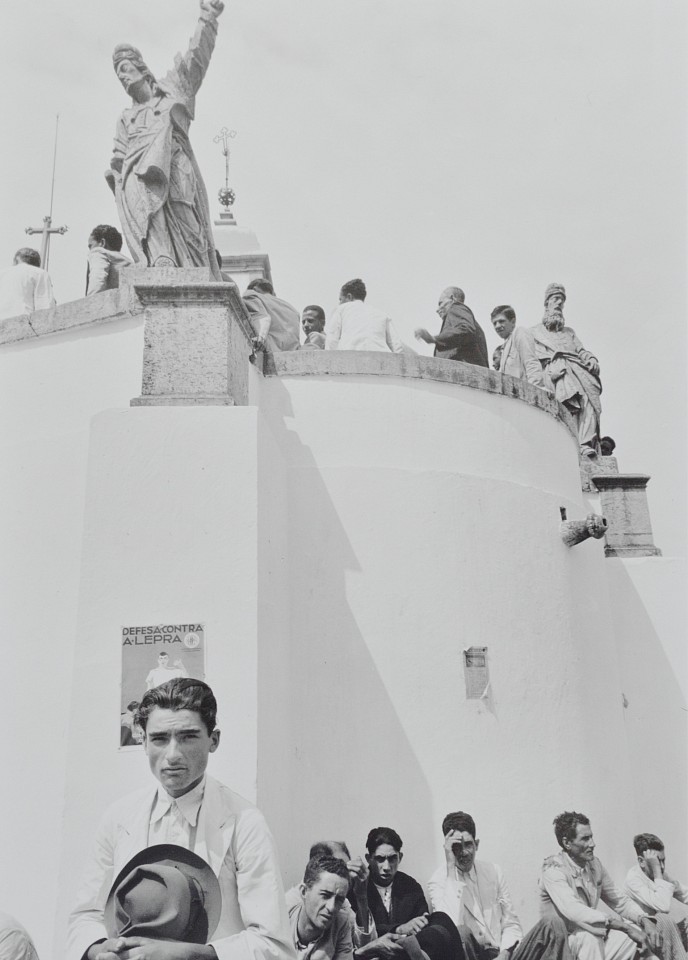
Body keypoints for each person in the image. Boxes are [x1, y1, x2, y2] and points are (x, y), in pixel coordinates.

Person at [67, 678, 292, 960]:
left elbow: (274, 946)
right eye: (160, 738)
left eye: (188, 737)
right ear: (144, 742)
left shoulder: (244, 823)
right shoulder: (119, 818)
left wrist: (190, 955)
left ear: (214, 740)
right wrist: (101, 949)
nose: (173, 755)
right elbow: (85, 916)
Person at [107, 1, 225, 278]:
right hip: (138, 174)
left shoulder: (173, 89)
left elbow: (196, 59)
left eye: (125, 67)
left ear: (142, 68)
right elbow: (119, 156)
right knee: (148, 216)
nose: (122, 76)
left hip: (174, 161)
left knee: (186, 214)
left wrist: (207, 18)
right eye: (118, 73)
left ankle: (197, 269)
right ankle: (161, 259)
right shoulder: (126, 117)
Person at [429, 811, 573, 960]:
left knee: (553, 923)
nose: (464, 852)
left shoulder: (493, 871)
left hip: (502, 954)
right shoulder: (439, 880)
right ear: (448, 849)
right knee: (461, 932)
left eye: (468, 845)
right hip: (471, 956)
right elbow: (449, 933)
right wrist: (451, 869)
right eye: (457, 847)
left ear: (476, 844)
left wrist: (504, 954)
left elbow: (511, 924)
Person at [539, 811, 659, 960]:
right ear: (567, 843)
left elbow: (619, 900)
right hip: (560, 947)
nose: (592, 844)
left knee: (636, 935)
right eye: (585, 839)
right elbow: (574, 910)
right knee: (591, 937)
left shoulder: (594, 865)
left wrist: (644, 919)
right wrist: (624, 927)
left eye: (591, 837)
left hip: (590, 944)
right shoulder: (553, 869)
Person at [529, 285, 602, 455]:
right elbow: (531, 362)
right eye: (555, 299)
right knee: (568, 399)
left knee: (589, 401)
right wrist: (548, 373)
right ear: (546, 303)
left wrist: (590, 359)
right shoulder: (534, 332)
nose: (559, 303)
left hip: (578, 370)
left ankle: (585, 444)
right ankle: (568, 443)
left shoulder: (570, 333)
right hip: (554, 374)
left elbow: (581, 351)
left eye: (562, 300)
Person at [624, 833, 688, 959]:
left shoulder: (660, 875)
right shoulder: (633, 879)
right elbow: (663, 906)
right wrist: (657, 870)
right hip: (641, 933)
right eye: (657, 862)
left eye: (663, 861)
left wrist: (658, 871)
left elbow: (684, 893)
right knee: (664, 919)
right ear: (641, 862)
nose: (662, 867)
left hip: (663, 929)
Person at [308, 842, 376, 950]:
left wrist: (361, 895)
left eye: (348, 867)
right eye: (340, 867)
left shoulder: (344, 902)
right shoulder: (300, 903)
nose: (350, 874)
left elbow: (368, 945)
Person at [364, 827, 428, 939]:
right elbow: (357, 928)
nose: (387, 867)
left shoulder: (411, 886)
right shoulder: (358, 887)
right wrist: (399, 929)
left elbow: (423, 924)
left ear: (400, 857)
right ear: (368, 859)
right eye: (380, 859)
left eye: (392, 858)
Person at [286, 855, 354, 960]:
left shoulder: (341, 923)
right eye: (325, 895)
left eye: (339, 900)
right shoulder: (279, 919)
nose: (331, 907)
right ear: (304, 891)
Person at [414, 288, 488, 367]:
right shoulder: (462, 317)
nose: (437, 309)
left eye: (440, 303)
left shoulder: (456, 307)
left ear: (452, 298)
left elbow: (466, 330)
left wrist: (434, 339)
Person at [326, 279, 404, 353]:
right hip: (380, 358)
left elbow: (332, 340)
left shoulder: (341, 309)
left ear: (349, 296)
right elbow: (397, 346)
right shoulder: (381, 314)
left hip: (350, 357)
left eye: (341, 299)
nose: (340, 303)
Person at [490, 306, 544, 387]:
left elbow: (531, 363)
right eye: (494, 323)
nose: (497, 326)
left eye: (501, 321)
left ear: (513, 321)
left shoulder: (519, 333)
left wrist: (534, 391)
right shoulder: (504, 347)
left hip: (524, 394)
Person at [243, 279, 301, 352]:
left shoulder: (251, 294)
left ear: (254, 289)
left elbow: (262, 317)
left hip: (268, 351)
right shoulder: (293, 310)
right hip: (291, 354)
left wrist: (260, 338)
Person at [0, 248, 55, 320]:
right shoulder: (40, 273)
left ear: (16, 260)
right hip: (23, 321)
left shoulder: (2, 273)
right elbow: (45, 306)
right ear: (37, 264)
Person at [86, 225, 132, 295]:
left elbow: (97, 281)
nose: (90, 250)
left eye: (91, 246)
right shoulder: (127, 262)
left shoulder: (98, 252)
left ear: (102, 243)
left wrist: (89, 303)